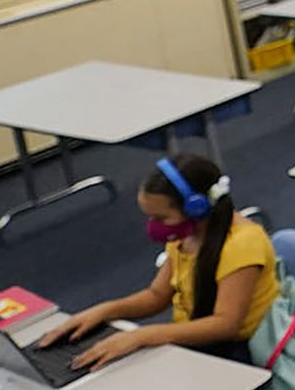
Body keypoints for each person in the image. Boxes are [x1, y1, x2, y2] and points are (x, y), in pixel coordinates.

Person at [39, 155, 279, 370]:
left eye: (161, 218)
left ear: (196, 208)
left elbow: (225, 324)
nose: (154, 226)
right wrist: (104, 311)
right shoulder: (186, 234)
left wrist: (143, 335)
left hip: (238, 353)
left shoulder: (242, 245)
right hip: (197, 339)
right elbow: (157, 295)